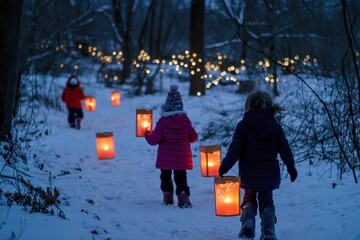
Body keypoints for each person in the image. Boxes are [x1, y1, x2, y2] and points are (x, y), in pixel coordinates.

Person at [218, 90, 298, 240]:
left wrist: (225, 166)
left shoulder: (243, 125)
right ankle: (268, 231)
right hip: (269, 175)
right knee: (267, 200)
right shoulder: (275, 125)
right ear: (268, 105)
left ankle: (247, 224)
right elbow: (284, 147)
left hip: (249, 174)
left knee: (249, 197)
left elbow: (235, 149)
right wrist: (291, 166)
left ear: (248, 106)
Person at [145, 85, 198, 208]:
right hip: (182, 158)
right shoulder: (185, 121)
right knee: (181, 177)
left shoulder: (162, 122)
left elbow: (153, 140)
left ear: (166, 107)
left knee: (165, 177)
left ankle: (167, 197)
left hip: (166, 159)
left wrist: (147, 133)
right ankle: (183, 198)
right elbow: (194, 137)